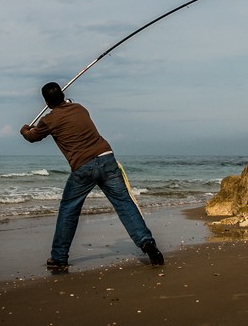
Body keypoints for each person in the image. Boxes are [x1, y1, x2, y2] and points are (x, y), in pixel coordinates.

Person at [20, 82, 164, 269]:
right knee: (123, 202)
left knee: (68, 209)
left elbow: (33, 137)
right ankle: (147, 243)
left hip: (83, 167)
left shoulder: (49, 120)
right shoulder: (80, 108)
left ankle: (59, 258)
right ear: (63, 95)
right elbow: (69, 107)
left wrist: (24, 130)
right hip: (106, 158)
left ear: (46, 102)